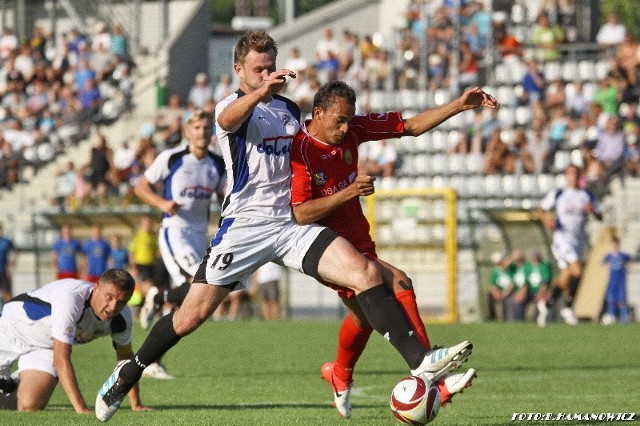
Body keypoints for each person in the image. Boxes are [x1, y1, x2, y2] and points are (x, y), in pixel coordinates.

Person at [95, 30, 476, 422]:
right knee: (190, 317)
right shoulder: (232, 106)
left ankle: (422, 361)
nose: (267, 74)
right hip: (245, 227)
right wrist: (259, 93)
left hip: (291, 223)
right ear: (238, 68)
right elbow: (227, 120)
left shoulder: (290, 111)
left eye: (271, 67)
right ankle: (130, 371)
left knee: (365, 271)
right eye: (259, 69)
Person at [289, 80, 496, 416]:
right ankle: (434, 378)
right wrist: (348, 193)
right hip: (326, 248)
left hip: (358, 239)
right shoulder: (300, 151)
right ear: (318, 113)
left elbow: (411, 127)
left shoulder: (353, 129)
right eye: (339, 120)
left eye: (349, 120)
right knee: (399, 282)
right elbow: (300, 213)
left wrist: (460, 105)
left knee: (364, 316)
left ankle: (339, 374)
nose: (346, 127)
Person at [0, 269, 149, 414]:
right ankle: (5, 383)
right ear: (96, 287)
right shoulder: (71, 298)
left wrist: (136, 404)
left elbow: (126, 359)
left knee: (29, 405)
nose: (113, 307)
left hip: (47, 347)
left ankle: (9, 384)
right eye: (109, 297)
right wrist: (81, 408)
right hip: (12, 327)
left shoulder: (122, 318)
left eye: (121, 302)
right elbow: (61, 360)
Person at [137, 109, 226, 331]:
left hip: (199, 234)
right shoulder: (172, 158)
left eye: (207, 128)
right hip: (175, 230)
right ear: (187, 131)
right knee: (199, 284)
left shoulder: (217, 163)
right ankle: (158, 303)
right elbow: (141, 187)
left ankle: (158, 299)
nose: (202, 133)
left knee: (197, 294)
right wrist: (161, 203)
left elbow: (225, 196)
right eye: (196, 128)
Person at [537, 164, 603, 325]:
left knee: (565, 279)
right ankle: (567, 306)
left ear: (579, 176)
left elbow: (600, 216)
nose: (572, 176)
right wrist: (547, 221)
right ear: (566, 176)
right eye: (569, 173)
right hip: (562, 240)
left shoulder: (586, 195)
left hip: (578, 241)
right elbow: (540, 210)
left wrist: (592, 210)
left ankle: (547, 303)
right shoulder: (559, 194)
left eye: (575, 173)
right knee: (578, 270)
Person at [601, 236, 637, 324]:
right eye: (613, 244)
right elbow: (601, 262)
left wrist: (628, 265)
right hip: (612, 280)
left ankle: (624, 319)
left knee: (621, 300)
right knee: (611, 299)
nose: (614, 246)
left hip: (621, 280)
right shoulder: (609, 256)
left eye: (616, 244)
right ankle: (610, 316)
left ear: (618, 245)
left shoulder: (623, 255)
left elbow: (632, 260)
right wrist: (607, 265)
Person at [526, 251, 553, 327]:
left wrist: (541, 292)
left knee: (543, 302)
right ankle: (516, 320)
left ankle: (542, 318)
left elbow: (545, 281)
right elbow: (525, 282)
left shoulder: (544, 266)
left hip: (541, 291)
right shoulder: (527, 267)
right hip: (530, 291)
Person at [0, 222, 15, 305]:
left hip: (3, 271)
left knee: (7, 293)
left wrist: (13, 260)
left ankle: (11, 311)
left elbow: (15, 251)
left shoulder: (6, 241)